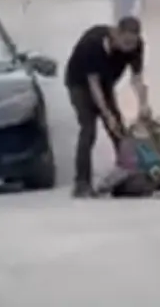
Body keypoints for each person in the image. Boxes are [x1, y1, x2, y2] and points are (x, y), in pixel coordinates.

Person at [64, 17, 149, 197]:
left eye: (133, 43)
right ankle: (82, 183)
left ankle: (129, 175)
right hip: (80, 83)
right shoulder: (93, 44)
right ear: (116, 34)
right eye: (126, 42)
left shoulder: (136, 46)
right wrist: (106, 114)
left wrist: (143, 104)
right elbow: (93, 85)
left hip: (106, 83)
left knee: (118, 129)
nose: (129, 48)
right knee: (89, 129)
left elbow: (137, 79)